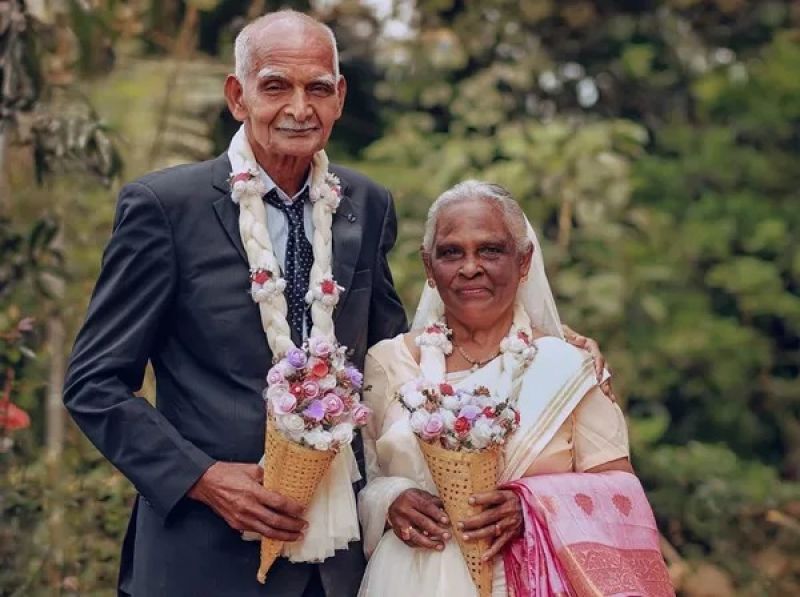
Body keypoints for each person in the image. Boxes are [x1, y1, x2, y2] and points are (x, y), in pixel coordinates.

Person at [63, 10, 610, 597]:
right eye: (276, 86)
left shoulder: (365, 205)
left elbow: (397, 362)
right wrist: (203, 478)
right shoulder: (167, 208)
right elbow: (94, 383)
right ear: (237, 96)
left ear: (339, 98)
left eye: (317, 88)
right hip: (203, 553)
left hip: (338, 567)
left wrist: (547, 349)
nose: (299, 107)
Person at [357, 181, 673, 596]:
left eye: (490, 250)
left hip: (532, 579)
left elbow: (622, 496)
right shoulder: (389, 362)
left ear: (524, 262)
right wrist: (391, 500)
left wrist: (532, 506)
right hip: (407, 580)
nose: (471, 267)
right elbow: (358, 481)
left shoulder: (567, 366)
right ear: (428, 268)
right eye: (452, 252)